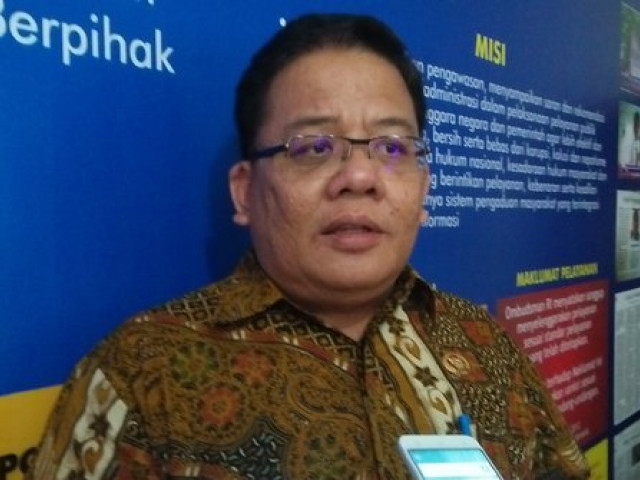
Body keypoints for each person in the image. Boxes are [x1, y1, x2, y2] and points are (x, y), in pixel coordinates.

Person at [28, 13, 590, 480]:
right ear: (245, 191)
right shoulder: (142, 378)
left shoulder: (486, 342)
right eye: (314, 147)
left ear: (423, 190)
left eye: (393, 148)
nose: (360, 177)